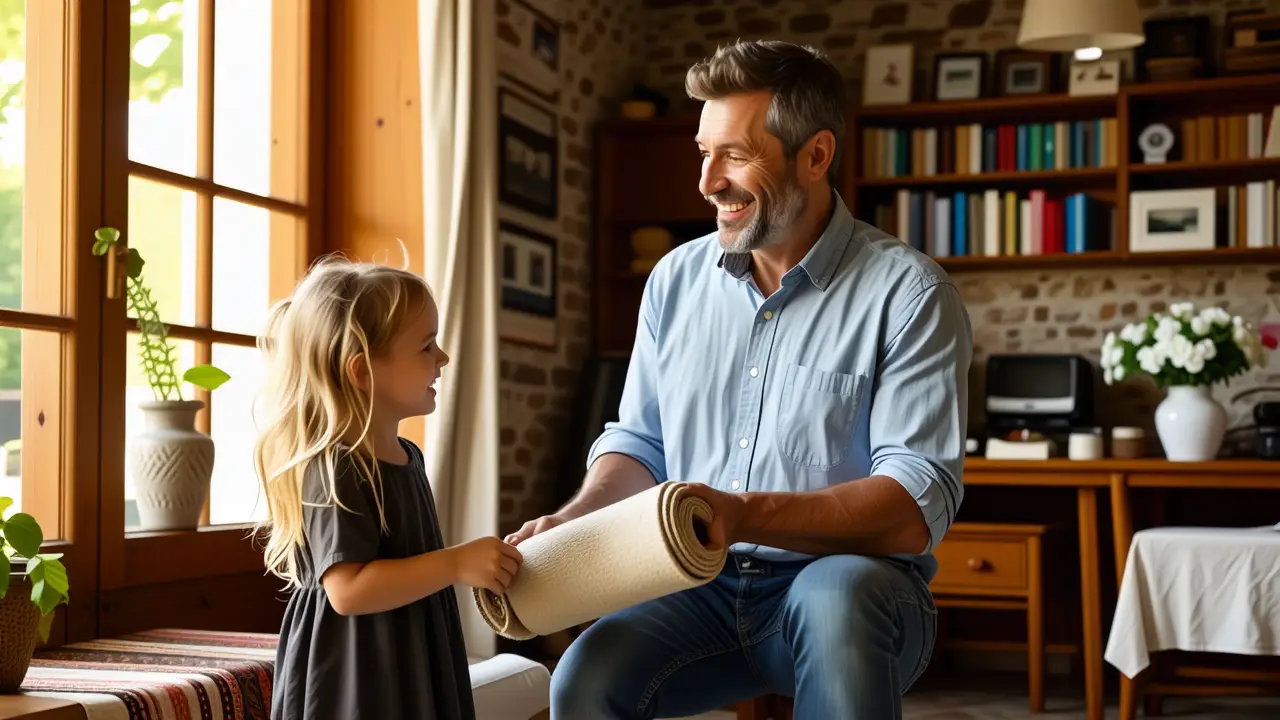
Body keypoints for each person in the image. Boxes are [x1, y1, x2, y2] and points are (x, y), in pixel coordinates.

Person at [507, 40, 973, 719]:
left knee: (836, 602)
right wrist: (570, 524)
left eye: (735, 154)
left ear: (815, 156)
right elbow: (640, 442)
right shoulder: (673, 279)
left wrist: (741, 512)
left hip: (854, 590)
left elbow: (910, 509)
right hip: (701, 588)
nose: (707, 182)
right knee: (582, 678)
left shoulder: (909, 293)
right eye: (704, 151)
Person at [256, 258, 523, 720]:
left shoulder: (407, 456)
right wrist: (457, 563)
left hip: (407, 657)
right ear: (363, 372)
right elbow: (348, 590)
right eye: (426, 347)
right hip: (353, 676)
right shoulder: (337, 465)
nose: (442, 358)